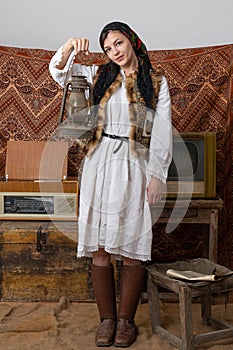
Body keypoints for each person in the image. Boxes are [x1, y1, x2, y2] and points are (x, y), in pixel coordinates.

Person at [49, 21, 172, 348]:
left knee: (131, 249)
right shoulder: (98, 76)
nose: (114, 52)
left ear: (131, 41)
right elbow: (60, 75)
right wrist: (68, 46)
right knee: (100, 248)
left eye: (118, 43)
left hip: (134, 166)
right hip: (99, 163)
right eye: (108, 48)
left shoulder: (156, 82)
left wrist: (157, 174)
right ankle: (107, 321)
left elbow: (162, 130)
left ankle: (127, 323)